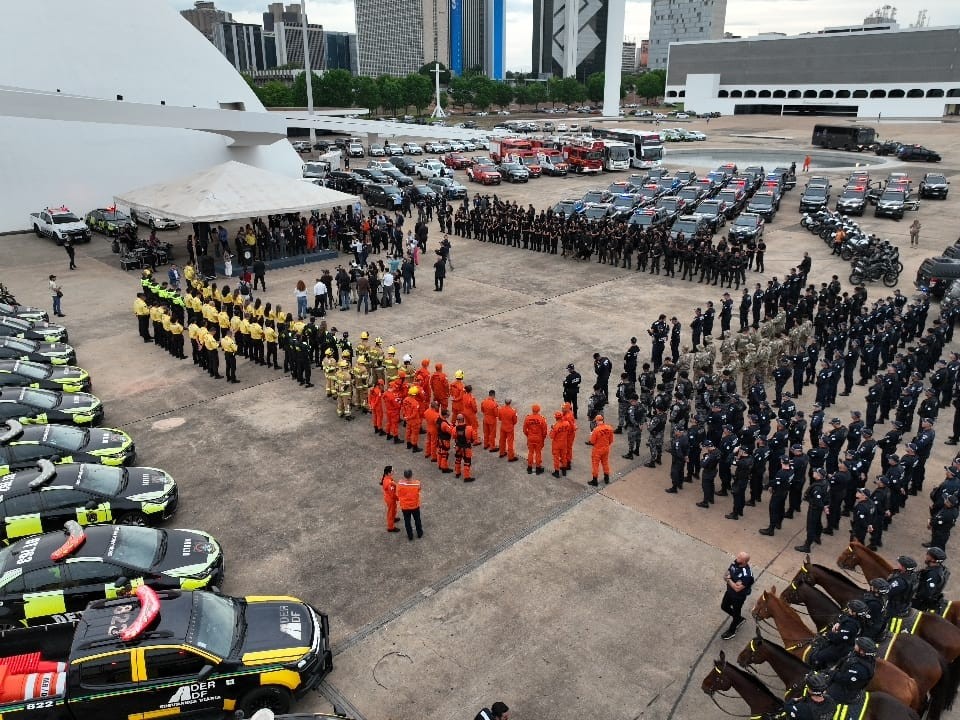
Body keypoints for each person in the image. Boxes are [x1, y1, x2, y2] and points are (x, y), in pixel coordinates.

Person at [807, 600, 865, 670]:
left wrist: (827, 635)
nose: (848, 610)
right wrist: (839, 623)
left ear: (854, 613)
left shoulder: (851, 625)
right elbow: (845, 617)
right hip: (849, 643)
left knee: (818, 656)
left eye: (850, 609)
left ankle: (819, 673)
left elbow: (839, 638)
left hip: (843, 648)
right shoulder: (858, 618)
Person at [825, 637, 877, 705]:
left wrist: (831, 673)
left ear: (862, 651)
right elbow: (845, 659)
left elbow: (844, 679)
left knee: (823, 695)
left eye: (857, 645)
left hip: (845, 691)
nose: (855, 645)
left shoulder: (859, 668)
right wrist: (835, 667)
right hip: (840, 676)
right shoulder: (857, 654)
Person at [720, 551, 754, 640]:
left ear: (744, 562)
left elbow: (737, 589)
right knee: (724, 606)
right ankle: (739, 619)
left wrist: (729, 579)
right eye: (737, 556)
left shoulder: (746, 575)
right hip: (729, 592)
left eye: (739, 558)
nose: (736, 558)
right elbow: (725, 575)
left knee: (736, 612)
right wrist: (730, 580)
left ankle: (732, 631)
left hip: (738, 597)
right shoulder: (735, 562)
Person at [913, 547, 949, 612]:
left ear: (933, 560)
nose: (926, 556)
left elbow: (926, 594)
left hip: (921, 603)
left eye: (928, 555)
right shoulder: (936, 567)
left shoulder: (933, 574)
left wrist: (913, 594)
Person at [396, 469, 423, 541]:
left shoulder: (400, 484)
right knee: (417, 520)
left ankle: (410, 535)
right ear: (411, 475)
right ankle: (419, 533)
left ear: (404, 476)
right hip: (415, 506)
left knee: (407, 521)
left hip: (405, 507)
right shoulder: (417, 483)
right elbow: (419, 489)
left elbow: (398, 492)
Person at [588, 414, 614, 487]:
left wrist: (591, 435)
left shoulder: (596, 430)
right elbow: (611, 440)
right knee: (605, 463)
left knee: (595, 465)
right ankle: (606, 478)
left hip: (597, 450)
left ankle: (595, 480)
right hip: (606, 449)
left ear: (597, 421)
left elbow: (592, 442)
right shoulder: (609, 428)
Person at [523, 404, 548, 475]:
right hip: (538, 438)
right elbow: (544, 431)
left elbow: (524, 429)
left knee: (530, 452)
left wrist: (528, 435)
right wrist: (543, 438)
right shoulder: (542, 419)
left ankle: (529, 468)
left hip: (530, 437)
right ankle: (538, 468)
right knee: (538, 453)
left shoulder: (527, 418)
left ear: (532, 410)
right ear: (539, 410)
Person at [454, 413, 478, 481]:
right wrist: (471, 441)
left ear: (457, 420)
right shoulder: (469, 428)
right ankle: (466, 477)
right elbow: (474, 437)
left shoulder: (454, 429)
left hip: (458, 447)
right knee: (467, 462)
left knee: (458, 460)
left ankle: (457, 473)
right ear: (463, 419)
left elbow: (454, 436)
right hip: (466, 448)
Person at [549, 411, 570, 477]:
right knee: (564, 457)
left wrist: (552, 429)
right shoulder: (567, 423)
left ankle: (557, 472)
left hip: (557, 444)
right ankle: (564, 471)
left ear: (556, 418)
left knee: (556, 458)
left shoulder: (556, 426)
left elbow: (551, 436)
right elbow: (568, 430)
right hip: (564, 443)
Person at [381, 466, 399, 533]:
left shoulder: (387, 478)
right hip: (390, 499)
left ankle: (393, 518)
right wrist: (398, 498)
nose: (393, 472)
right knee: (391, 512)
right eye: (392, 471)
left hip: (389, 498)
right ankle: (390, 527)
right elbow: (392, 494)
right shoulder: (389, 483)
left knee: (394, 509)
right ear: (388, 473)